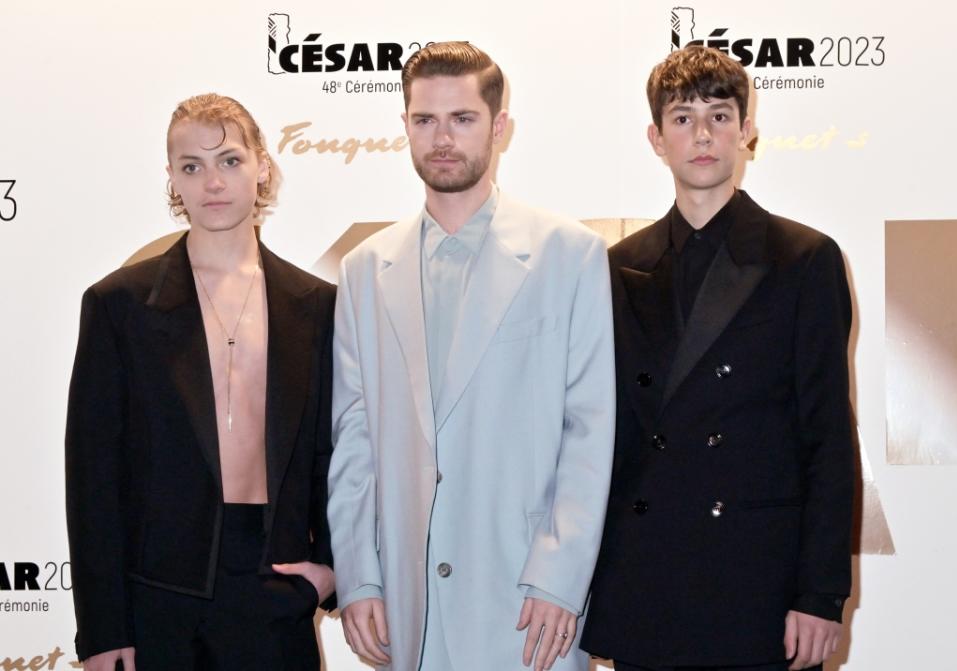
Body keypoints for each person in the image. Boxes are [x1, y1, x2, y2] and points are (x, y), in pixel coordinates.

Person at [327, 42, 615, 671]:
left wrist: (559, 579)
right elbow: (353, 439)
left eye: (462, 119)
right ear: (404, 126)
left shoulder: (570, 254)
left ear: (499, 127)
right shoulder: (365, 270)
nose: (442, 139)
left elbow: (590, 431)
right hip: (409, 599)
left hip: (528, 601)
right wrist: (360, 577)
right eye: (425, 120)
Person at [580, 45, 855, 671]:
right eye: (682, 118)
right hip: (650, 580)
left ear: (747, 130)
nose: (702, 134)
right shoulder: (619, 267)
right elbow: (605, 439)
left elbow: (829, 438)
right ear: (656, 138)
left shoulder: (803, 258)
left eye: (720, 115)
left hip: (758, 583)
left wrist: (820, 595)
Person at [65, 93, 337, 670]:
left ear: (263, 165)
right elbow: (93, 478)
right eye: (192, 166)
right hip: (157, 594)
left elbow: (338, 451)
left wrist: (330, 569)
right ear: (172, 178)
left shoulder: (316, 306)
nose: (213, 181)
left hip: (278, 584)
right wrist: (102, 627)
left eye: (230, 161)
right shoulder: (119, 305)